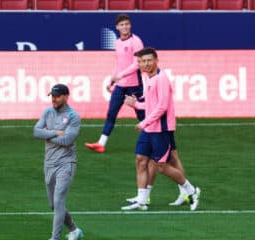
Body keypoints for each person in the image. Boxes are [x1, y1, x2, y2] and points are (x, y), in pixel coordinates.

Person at [121, 48, 200, 211]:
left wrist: (144, 123)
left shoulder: (161, 78)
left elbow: (162, 107)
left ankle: (191, 191)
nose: (146, 64)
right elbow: (151, 105)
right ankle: (142, 200)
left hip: (160, 128)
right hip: (150, 127)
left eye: (149, 60)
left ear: (156, 60)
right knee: (140, 159)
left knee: (162, 166)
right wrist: (135, 104)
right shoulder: (146, 76)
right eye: (142, 61)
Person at [84, 14, 144, 153]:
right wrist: (112, 79)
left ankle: (152, 141)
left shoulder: (136, 41)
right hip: (121, 85)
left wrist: (120, 75)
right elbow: (119, 63)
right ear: (117, 27)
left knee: (142, 115)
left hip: (135, 84)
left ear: (130, 25)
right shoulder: (117, 42)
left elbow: (137, 64)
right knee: (111, 114)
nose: (125, 27)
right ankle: (101, 143)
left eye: (127, 24)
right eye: (122, 25)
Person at [33, 84, 83, 240]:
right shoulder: (47, 112)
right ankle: (74, 230)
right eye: (52, 96)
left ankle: (55, 238)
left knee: (59, 200)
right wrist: (55, 133)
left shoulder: (74, 117)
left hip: (66, 163)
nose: (54, 99)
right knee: (54, 205)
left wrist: (46, 135)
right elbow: (36, 131)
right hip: (49, 163)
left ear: (66, 97)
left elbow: (68, 139)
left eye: (57, 96)